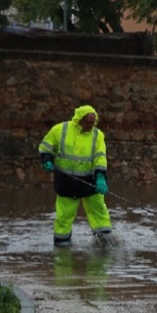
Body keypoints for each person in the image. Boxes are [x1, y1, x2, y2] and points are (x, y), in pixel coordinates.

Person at [38, 105, 114, 247]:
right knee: (63, 217)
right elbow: (45, 147)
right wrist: (46, 160)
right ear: (79, 119)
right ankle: (62, 249)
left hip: (90, 183)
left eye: (93, 122)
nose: (90, 125)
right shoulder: (60, 130)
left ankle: (106, 244)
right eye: (88, 122)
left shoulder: (98, 135)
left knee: (100, 214)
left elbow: (100, 157)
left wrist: (101, 177)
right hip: (66, 183)